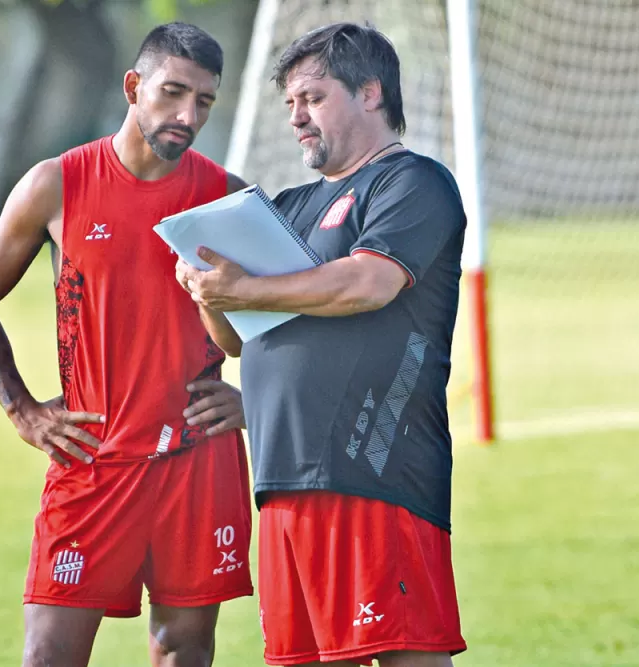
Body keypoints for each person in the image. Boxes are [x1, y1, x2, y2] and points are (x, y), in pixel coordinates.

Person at [0, 22, 254, 667]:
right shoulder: (57, 185)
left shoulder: (226, 197)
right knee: (50, 655)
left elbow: (286, 319)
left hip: (198, 461)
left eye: (204, 101)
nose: (187, 115)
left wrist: (249, 399)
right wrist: (23, 411)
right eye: (172, 93)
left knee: (184, 651)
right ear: (132, 86)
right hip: (94, 457)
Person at [176, 22, 468, 667]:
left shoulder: (413, 182)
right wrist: (209, 291)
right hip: (282, 478)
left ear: (370, 93)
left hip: (373, 472)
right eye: (289, 105)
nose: (297, 119)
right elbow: (236, 341)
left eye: (312, 98)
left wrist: (245, 286)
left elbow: (368, 283)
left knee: (403, 655)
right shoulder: (287, 205)